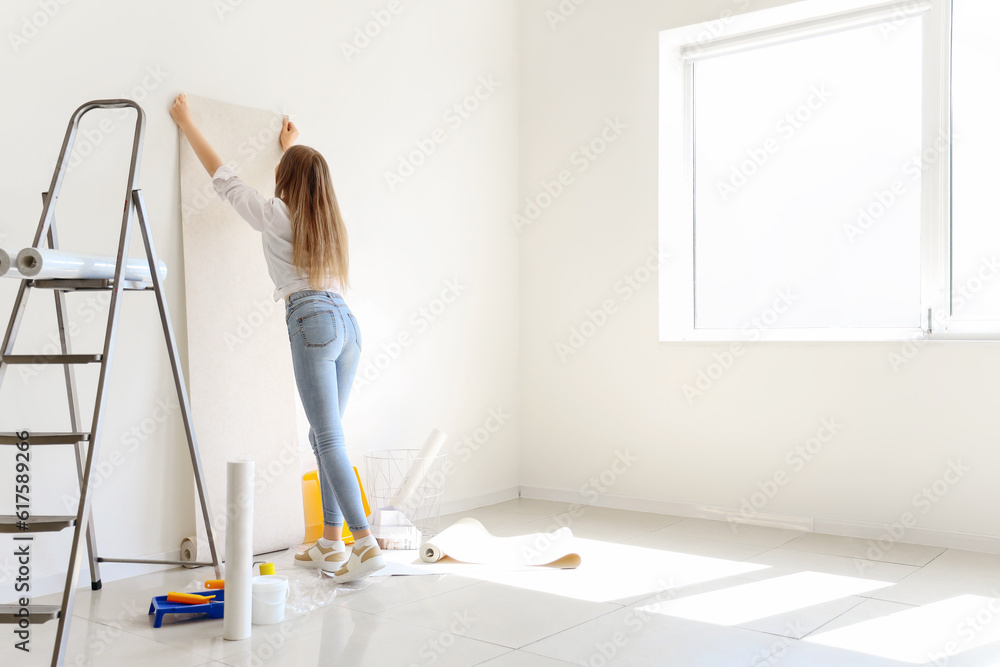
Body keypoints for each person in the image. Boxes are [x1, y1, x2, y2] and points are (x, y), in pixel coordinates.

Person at [169, 93, 384, 582]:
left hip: (310, 320)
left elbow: (225, 180)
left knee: (327, 436)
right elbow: (303, 180)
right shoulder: (330, 224)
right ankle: (332, 543)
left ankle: (365, 545)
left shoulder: (274, 214)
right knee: (325, 436)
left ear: (286, 182)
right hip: (347, 325)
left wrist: (187, 123)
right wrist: (292, 147)